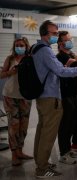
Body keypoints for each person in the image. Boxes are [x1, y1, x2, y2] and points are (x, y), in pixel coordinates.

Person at [32, 20, 77, 178]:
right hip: (50, 96)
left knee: (42, 132)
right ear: (44, 34)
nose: (56, 36)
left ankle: (41, 162)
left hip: (43, 96)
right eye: (54, 34)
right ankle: (42, 169)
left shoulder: (36, 48)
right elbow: (61, 71)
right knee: (48, 134)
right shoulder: (46, 50)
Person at [0, 37, 32, 166]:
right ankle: (14, 154)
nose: (19, 47)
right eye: (17, 45)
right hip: (10, 96)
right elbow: (1, 75)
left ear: (26, 46)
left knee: (23, 126)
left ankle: (20, 151)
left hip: (25, 96)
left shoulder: (30, 59)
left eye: (22, 45)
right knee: (14, 126)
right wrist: (11, 72)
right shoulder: (10, 59)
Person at [56, 31, 77, 164]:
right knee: (65, 124)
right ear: (60, 43)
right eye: (67, 40)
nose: (70, 41)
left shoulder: (71, 54)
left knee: (72, 122)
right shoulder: (59, 57)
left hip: (73, 93)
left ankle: (68, 149)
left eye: (70, 39)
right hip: (65, 94)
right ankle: (63, 153)